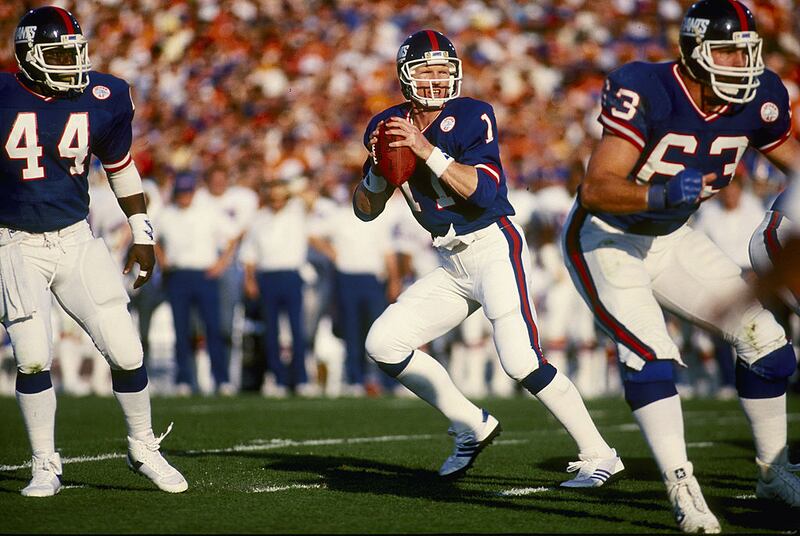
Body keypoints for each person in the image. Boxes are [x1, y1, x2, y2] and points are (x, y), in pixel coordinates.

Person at [562, 0, 800, 531]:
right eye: (727, 53)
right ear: (695, 51)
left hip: (670, 238)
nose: (742, 65)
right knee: (650, 354)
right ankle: (680, 484)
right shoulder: (648, 86)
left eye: (747, 52)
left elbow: (797, 165)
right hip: (607, 238)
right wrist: (660, 194)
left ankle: (773, 472)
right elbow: (597, 189)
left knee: (767, 344)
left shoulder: (760, 97)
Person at [354, 29, 623, 486]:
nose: (438, 79)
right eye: (427, 71)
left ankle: (600, 454)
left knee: (521, 360)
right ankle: (470, 424)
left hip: (493, 246)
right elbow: (365, 210)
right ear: (405, 77)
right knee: (384, 342)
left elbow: (484, 192)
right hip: (451, 263)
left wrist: (426, 151)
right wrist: (379, 176)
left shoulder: (471, 115)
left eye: (444, 70)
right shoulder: (389, 124)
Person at [1, 6, 187, 496]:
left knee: (125, 347)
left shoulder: (103, 96)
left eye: (76, 52)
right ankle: (45, 463)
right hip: (13, 241)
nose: (73, 63)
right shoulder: (3, 95)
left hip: (75, 237)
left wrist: (143, 232)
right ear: (28, 56)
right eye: (60, 54)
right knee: (32, 357)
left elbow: (120, 165)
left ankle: (143, 446)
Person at [154, 172, 237, 396]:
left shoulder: (208, 212)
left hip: (204, 274)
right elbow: (152, 238)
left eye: (188, 192)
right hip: (178, 274)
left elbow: (232, 236)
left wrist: (221, 264)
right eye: (181, 193)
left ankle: (221, 379)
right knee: (181, 329)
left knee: (213, 328)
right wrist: (163, 261)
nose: (185, 197)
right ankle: (183, 379)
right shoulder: (167, 214)